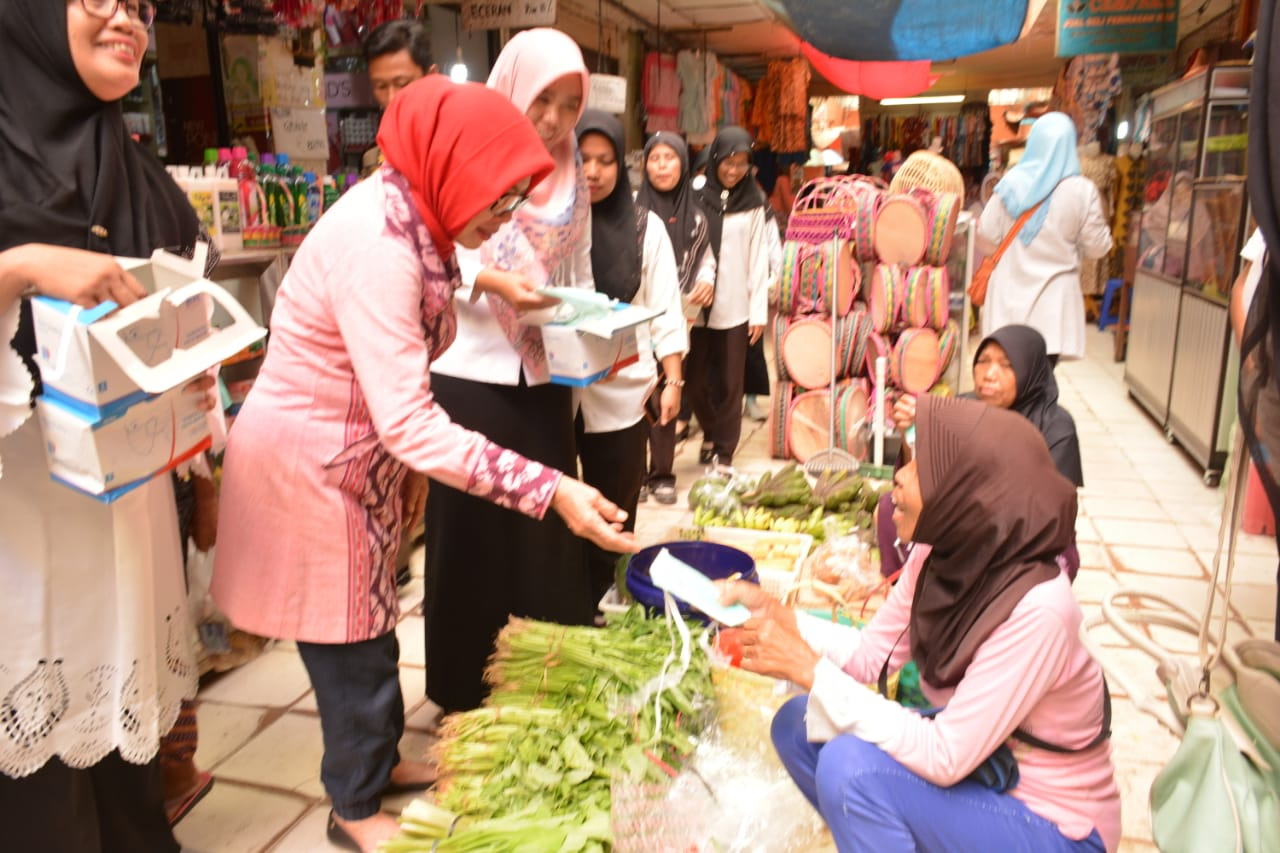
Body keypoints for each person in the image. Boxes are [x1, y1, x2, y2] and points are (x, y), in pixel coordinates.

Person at [210, 77, 634, 853]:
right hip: (311, 464)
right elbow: (410, 423)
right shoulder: (379, 248)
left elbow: (435, 249)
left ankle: (373, 758)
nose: (501, 218)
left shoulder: (408, 207)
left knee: (371, 627)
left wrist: (490, 275)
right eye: (497, 201)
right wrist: (553, 489)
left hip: (348, 459)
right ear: (453, 171)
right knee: (345, 643)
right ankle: (352, 803)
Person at [720, 395, 1119, 853]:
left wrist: (811, 670)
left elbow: (944, 755)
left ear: (968, 491)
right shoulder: (938, 555)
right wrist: (778, 614)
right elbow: (870, 657)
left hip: (1052, 824)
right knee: (798, 722)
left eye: (917, 468)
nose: (898, 479)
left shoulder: (1039, 610)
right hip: (982, 770)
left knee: (852, 770)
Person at [0, 0, 202, 848]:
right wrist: (19, 268)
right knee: (45, 804)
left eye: (144, 6)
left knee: (128, 790)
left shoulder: (141, 177)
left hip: (129, 534)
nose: (130, 18)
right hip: (27, 548)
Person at [424, 28, 600, 715]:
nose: (552, 118)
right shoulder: (466, 157)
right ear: (511, 86)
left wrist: (593, 318)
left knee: (545, 530)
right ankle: (466, 686)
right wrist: (497, 282)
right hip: (471, 376)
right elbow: (439, 250)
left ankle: (544, 679)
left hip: (545, 377)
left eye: (567, 103)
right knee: (472, 532)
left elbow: (572, 266)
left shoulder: (570, 173)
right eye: (541, 98)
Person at [573, 109, 687, 603]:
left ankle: (608, 594)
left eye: (605, 161)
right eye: (581, 160)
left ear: (622, 166)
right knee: (558, 501)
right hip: (554, 391)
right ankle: (567, 595)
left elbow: (664, 308)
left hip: (621, 390)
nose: (592, 172)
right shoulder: (551, 224)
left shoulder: (646, 229)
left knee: (616, 502)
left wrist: (673, 380)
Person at [882, 324, 1084, 580]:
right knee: (891, 507)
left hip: (1029, 534)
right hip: (968, 519)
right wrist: (911, 433)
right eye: (983, 361)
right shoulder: (962, 407)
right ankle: (904, 588)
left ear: (1030, 370)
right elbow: (920, 479)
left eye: (1006, 365)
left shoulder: (1055, 426)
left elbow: (1052, 510)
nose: (989, 374)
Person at [978, 112, 1113, 363]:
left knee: (1009, 379)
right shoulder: (1082, 191)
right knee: (1042, 381)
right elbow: (1098, 247)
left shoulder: (1010, 185)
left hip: (1007, 303)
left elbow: (985, 235)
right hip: (1054, 309)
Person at [634, 131, 716, 500]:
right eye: (655, 158)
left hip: (678, 316)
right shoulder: (630, 211)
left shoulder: (696, 217)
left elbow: (706, 260)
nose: (662, 165)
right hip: (633, 317)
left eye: (670, 158)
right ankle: (633, 472)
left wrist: (705, 281)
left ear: (682, 164)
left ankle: (661, 474)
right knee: (634, 395)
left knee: (667, 393)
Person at [689, 126, 772, 465]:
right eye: (728, 161)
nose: (734, 169)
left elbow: (758, 259)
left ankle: (723, 450)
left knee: (729, 384)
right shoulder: (694, 193)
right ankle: (709, 430)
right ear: (715, 158)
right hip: (695, 304)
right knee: (693, 381)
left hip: (735, 306)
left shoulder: (754, 202)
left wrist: (758, 312)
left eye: (741, 163)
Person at [360, 18, 436, 176]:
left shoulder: (457, 145)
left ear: (431, 76)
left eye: (402, 83)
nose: (391, 98)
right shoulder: (374, 160)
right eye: (381, 86)